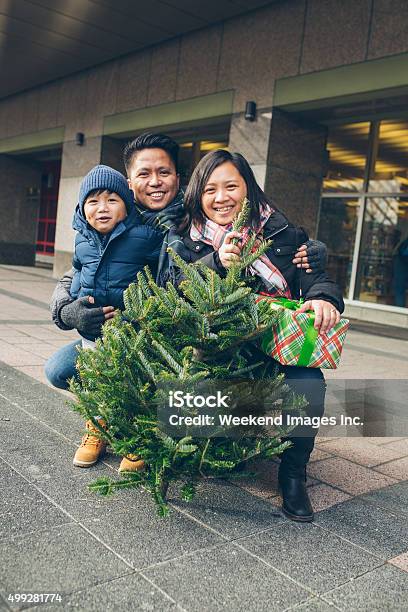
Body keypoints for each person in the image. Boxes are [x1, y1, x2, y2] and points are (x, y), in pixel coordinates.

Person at [46, 133, 327, 470]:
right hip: (117, 329)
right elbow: (75, 271)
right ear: (130, 181)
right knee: (60, 369)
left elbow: (248, 233)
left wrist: (311, 253)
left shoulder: (193, 216)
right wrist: (68, 310)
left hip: (176, 334)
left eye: (163, 172)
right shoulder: (115, 214)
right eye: (144, 174)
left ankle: (182, 429)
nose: (154, 182)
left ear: (177, 177)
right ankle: (109, 419)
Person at [163, 149, 344, 522]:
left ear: (249, 188)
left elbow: (314, 279)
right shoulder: (184, 238)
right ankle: (186, 453)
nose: (221, 197)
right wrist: (215, 264)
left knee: (308, 381)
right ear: (198, 194)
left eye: (231, 186)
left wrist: (324, 298)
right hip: (212, 347)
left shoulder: (284, 233)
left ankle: (292, 473)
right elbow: (171, 290)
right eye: (210, 189)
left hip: (272, 344)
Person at [53, 163, 162, 470]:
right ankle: (97, 428)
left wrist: (141, 314)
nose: (102, 208)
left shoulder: (144, 237)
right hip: (91, 332)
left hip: (130, 332)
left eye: (112, 200)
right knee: (95, 380)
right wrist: (73, 307)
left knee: (132, 382)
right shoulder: (82, 240)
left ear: (127, 207)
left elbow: (161, 276)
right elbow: (76, 272)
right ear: (82, 207)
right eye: (93, 201)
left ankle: (134, 435)